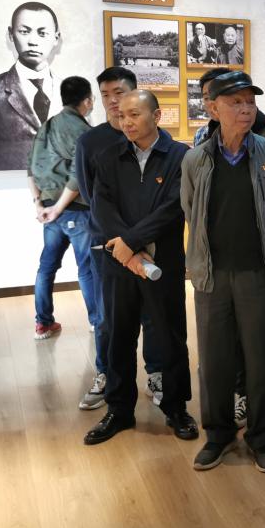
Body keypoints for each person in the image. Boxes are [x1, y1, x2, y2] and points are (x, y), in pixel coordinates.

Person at [181, 71, 265, 474]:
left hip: (258, 273)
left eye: (250, 102)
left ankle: (261, 437)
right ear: (212, 109)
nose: (246, 109)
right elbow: (190, 209)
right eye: (235, 102)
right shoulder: (196, 159)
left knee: (261, 359)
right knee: (214, 361)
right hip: (212, 275)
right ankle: (218, 434)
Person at [83, 90, 198, 446]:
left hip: (162, 264)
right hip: (119, 265)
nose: (127, 121)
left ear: (156, 116)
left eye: (135, 114)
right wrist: (128, 253)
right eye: (122, 115)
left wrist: (131, 242)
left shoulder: (180, 156)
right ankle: (119, 410)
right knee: (118, 336)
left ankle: (177, 408)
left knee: (170, 337)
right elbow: (101, 207)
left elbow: (173, 208)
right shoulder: (108, 156)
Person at [73, 68, 166, 411]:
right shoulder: (90, 142)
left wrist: (139, 240)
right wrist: (124, 243)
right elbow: (91, 196)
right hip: (108, 246)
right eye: (106, 94)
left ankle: (156, 374)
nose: (113, 101)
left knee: (154, 315)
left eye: (119, 92)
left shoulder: (155, 138)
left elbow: (163, 198)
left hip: (151, 244)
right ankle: (107, 375)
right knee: (107, 318)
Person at [26, 76, 96, 341]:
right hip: (74, 209)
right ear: (87, 101)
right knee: (87, 268)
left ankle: (43, 323)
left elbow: (30, 168)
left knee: (46, 267)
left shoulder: (46, 126)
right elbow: (79, 175)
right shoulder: (83, 131)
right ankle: (97, 321)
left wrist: (40, 204)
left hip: (48, 208)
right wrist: (58, 208)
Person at [0, 1, 62, 171]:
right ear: (11, 34)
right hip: (7, 186)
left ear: (55, 38)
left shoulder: (72, 93)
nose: (33, 41)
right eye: (24, 31)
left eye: (42, 33)